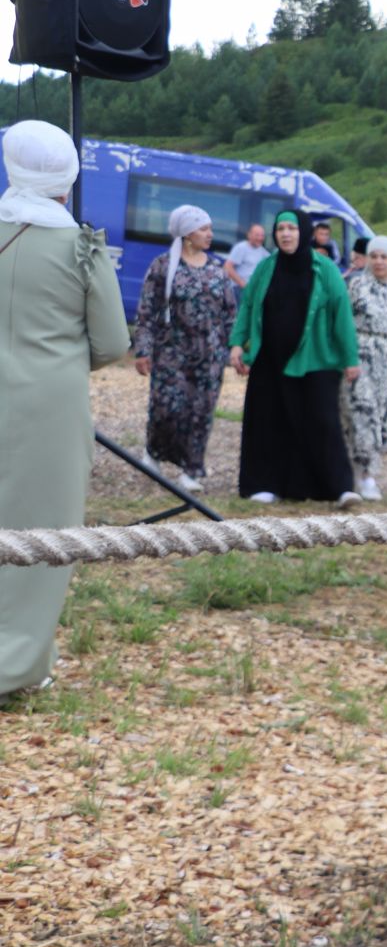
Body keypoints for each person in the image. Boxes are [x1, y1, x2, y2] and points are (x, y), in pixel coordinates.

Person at [0, 121, 130, 699]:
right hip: (50, 406)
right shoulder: (81, 245)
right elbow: (112, 343)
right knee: (42, 532)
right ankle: (19, 664)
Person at [228, 210, 361, 506]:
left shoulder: (324, 269)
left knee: (323, 421)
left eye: (291, 228)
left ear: (304, 232)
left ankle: (339, 487)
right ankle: (263, 484)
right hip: (269, 360)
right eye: (280, 229)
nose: (286, 234)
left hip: (317, 360)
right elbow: (248, 307)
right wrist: (238, 343)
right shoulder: (265, 268)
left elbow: (342, 315)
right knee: (267, 422)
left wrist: (350, 358)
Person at [132, 204, 236, 494]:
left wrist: (234, 347)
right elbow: (147, 311)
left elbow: (230, 311)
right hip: (172, 352)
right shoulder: (163, 266)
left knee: (201, 411)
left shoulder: (217, 268)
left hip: (210, 355)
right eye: (204, 229)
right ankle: (154, 453)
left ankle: (192, 470)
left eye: (210, 228)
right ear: (187, 233)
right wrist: (143, 349)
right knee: (166, 407)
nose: (210, 234)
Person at [345, 235, 387, 502]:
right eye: (374, 256)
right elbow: (344, 321)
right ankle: (365, 476)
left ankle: (362, 470)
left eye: (384, 257)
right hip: (361, 354)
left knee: (384, 417)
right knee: (363, 414)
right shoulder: (357, 285)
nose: (378, 261)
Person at [223, 223, 270, 291]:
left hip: (254, 290)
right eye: (257, 235)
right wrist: (244, 285)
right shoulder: (241, 247)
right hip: (239, 288)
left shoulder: (264, 253)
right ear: (249, 235)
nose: (260, 238)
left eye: (262, 235)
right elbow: (227, 267)